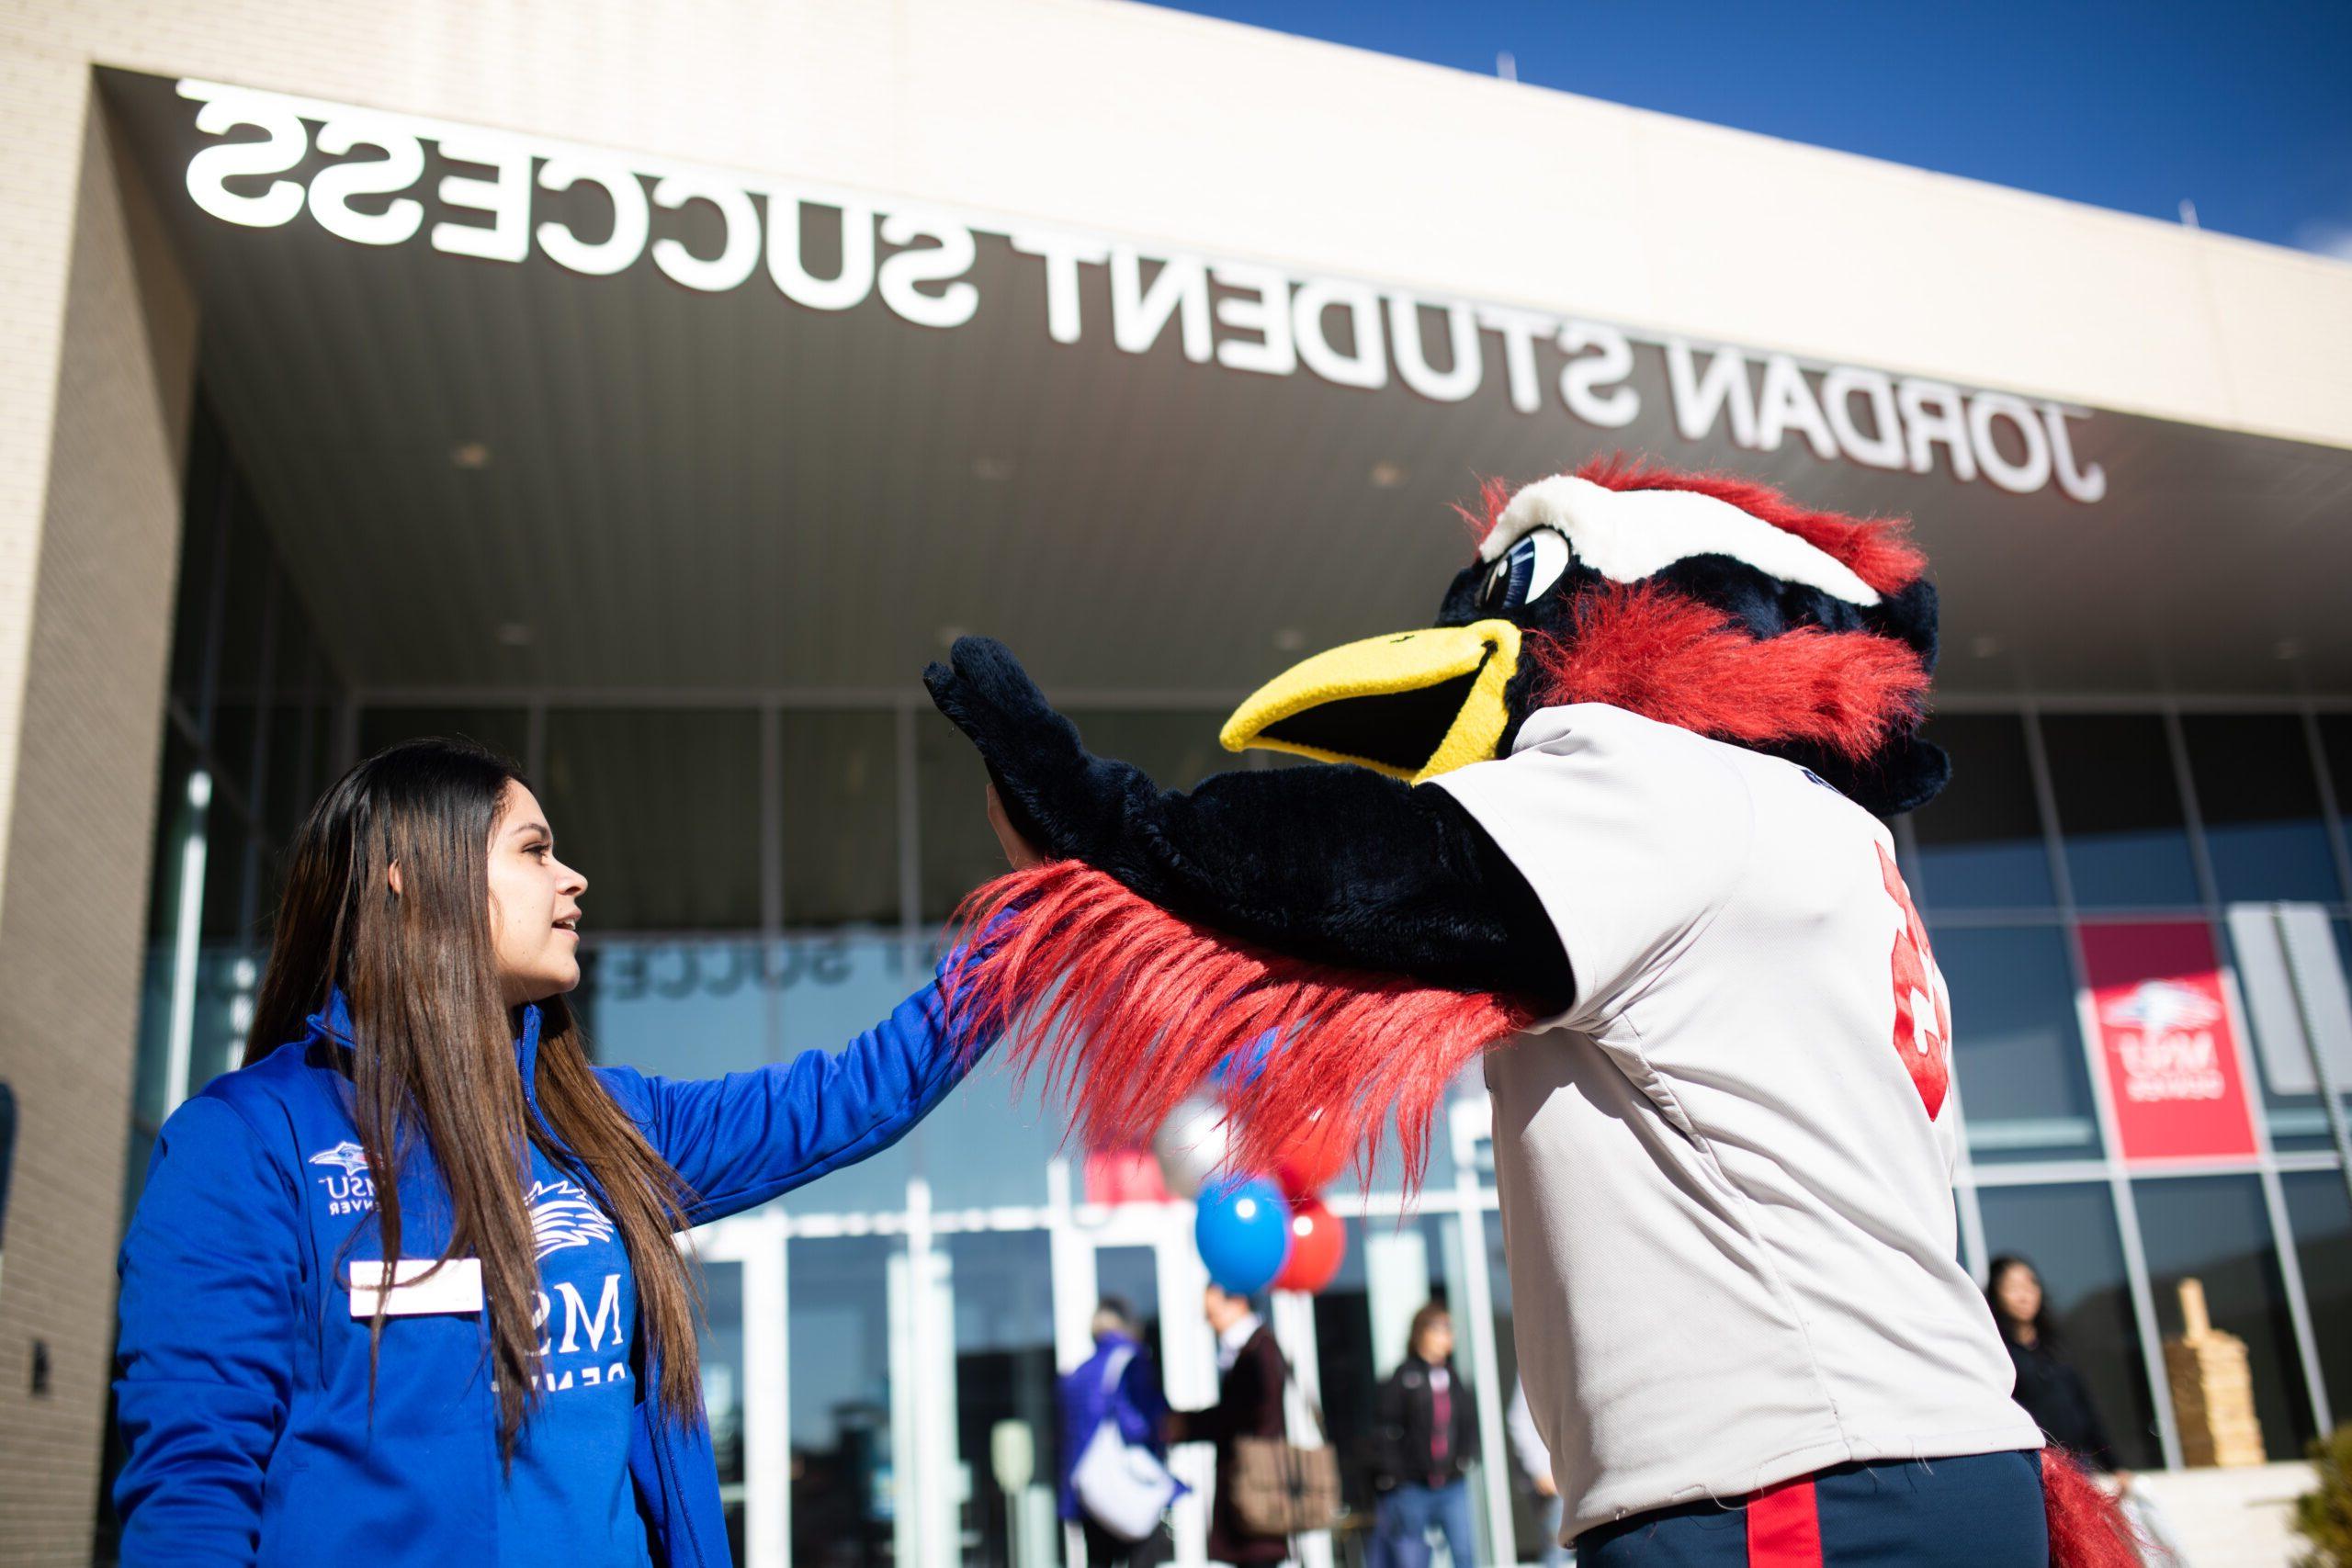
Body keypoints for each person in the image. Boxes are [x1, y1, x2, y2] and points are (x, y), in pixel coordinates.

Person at [929, 458, 2138, 1564]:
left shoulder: (1676, 782)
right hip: (1916, 1461)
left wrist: (1095, 814)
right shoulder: (1837, 839)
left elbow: (1370, 874)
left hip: (1792, 1484)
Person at [110, 739, 1015, 1566]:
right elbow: (194, 1486)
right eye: (535, 850)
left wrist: (1041, 910)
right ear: (410, 879)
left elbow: (858, 1092)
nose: (573, 879)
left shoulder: (602, 1125)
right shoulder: (250, 1139)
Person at [1990, 1256, 2191, 1567]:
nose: (2024, 1294)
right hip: (2035, 1472)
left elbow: (2086, 1411)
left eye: (2030, 1284)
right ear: (1996, 1294)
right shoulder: (1997, 1354)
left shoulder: (2056, 1348)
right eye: (2012, 1287)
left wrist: (2116, 1465)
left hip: (2077, 1467)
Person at [1164, 1283, 1288, 1568]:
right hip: (1249, 1485)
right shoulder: (1249, 1350)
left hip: (1258, 1485)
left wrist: (1189, 1425)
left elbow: (1250, 1414)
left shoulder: (1259, 1351)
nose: (1210, 1323)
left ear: (1238, 1303)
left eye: (1213, 1313)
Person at [1058, 1297, 1178, 1566]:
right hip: (1128, 1487)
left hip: (1091, 1497)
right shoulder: (1133, 1365)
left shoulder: (1076, 1376)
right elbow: (1140, 1424)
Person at [1370, 1303, 1479, 1568]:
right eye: (1442, 1329)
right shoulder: (1403, 1378)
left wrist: (1467, 1457)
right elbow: (1385, 1430)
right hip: (1412, 1487)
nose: (1448, 1337)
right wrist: (1396, 1473)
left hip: (1452, 1485)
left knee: (1464, 1553)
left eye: (1449, 1330)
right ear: (1422, 1334)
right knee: (1413, 1558)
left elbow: (1467, 1423)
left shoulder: (1452, 1378)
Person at [1508, 1377, 1568, 1568]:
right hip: (1552, 1480)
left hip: (1573, 1476)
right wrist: (1539, 1471)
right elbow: (1519, 1420)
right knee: (1557, 1554)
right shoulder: (1538, 1358)